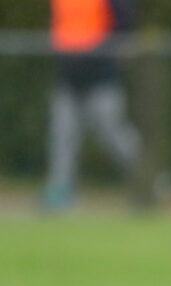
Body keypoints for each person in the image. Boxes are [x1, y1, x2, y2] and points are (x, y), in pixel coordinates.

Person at [41, 0, 141, 211]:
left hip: (101, 77)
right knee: (62, 136)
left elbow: (124, 25)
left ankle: (147, 182)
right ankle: (60, 193)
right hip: (68, 77)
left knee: (112, 133)